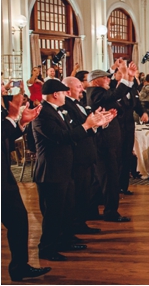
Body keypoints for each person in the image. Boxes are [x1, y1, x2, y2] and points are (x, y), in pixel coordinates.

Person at [33, 79, 113, 261]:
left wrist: (94, 125)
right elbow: (62, 137)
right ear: (56, 95)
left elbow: (75, 133)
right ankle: (47, 249)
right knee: (53, 213)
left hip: (65, 168)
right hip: (51, 171)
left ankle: (64, 240)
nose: (66, 95)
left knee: (66, 208)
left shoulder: (57, 111)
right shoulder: (43, 114)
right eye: (63, 92)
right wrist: (87, 125)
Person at [2, 93, 51, 280]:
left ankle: (19, 267)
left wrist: (20, 123)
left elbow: (4, 136)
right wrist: (12, 118)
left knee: (19, 221)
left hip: (5, 179)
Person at [86, 63, 136, 223]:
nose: (108, 79)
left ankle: (91, 210)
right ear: (95, 81)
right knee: (110, 177)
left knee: (99, 179)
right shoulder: (95, 92)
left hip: (108, 142)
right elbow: (113, 95)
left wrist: (127, 78)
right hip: (104, 143)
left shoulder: (100, 92)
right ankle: (111, 212)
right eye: (105, 78)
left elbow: (116, 101)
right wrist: (126, 78)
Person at [61, 77, 102, 235]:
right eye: (78, 86)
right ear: (68, 89)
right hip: (78, 156)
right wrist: (90, 123)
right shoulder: (66, 106)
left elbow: (87, 126)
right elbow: (76, 129)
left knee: (85, 192)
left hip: (87, 154)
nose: (82, 89)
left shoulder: (80, 103)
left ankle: (81, 223)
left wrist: (99, 122)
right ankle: (75, 225)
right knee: (77, 194)